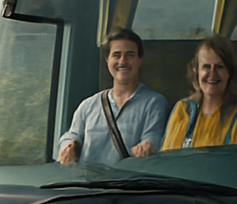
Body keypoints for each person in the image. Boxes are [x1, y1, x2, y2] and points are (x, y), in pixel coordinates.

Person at [57, 28, 168, 165]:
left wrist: (147, 147)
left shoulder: (154, 103)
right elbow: (72, 135)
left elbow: (153, 138)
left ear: (140, 59)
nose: (123, 61)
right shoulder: (88, 105)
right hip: (86, 178)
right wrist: (69, 146)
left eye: (130, 55)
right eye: (116, 55)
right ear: (107, 59)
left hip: (129, 178)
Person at [161, 35, 237, 149]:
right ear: (196, 71)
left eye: (219, 67)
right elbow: (167, 156)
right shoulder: (182, 110)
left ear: (230, 72)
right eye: (206, 67)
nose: (212, 74)